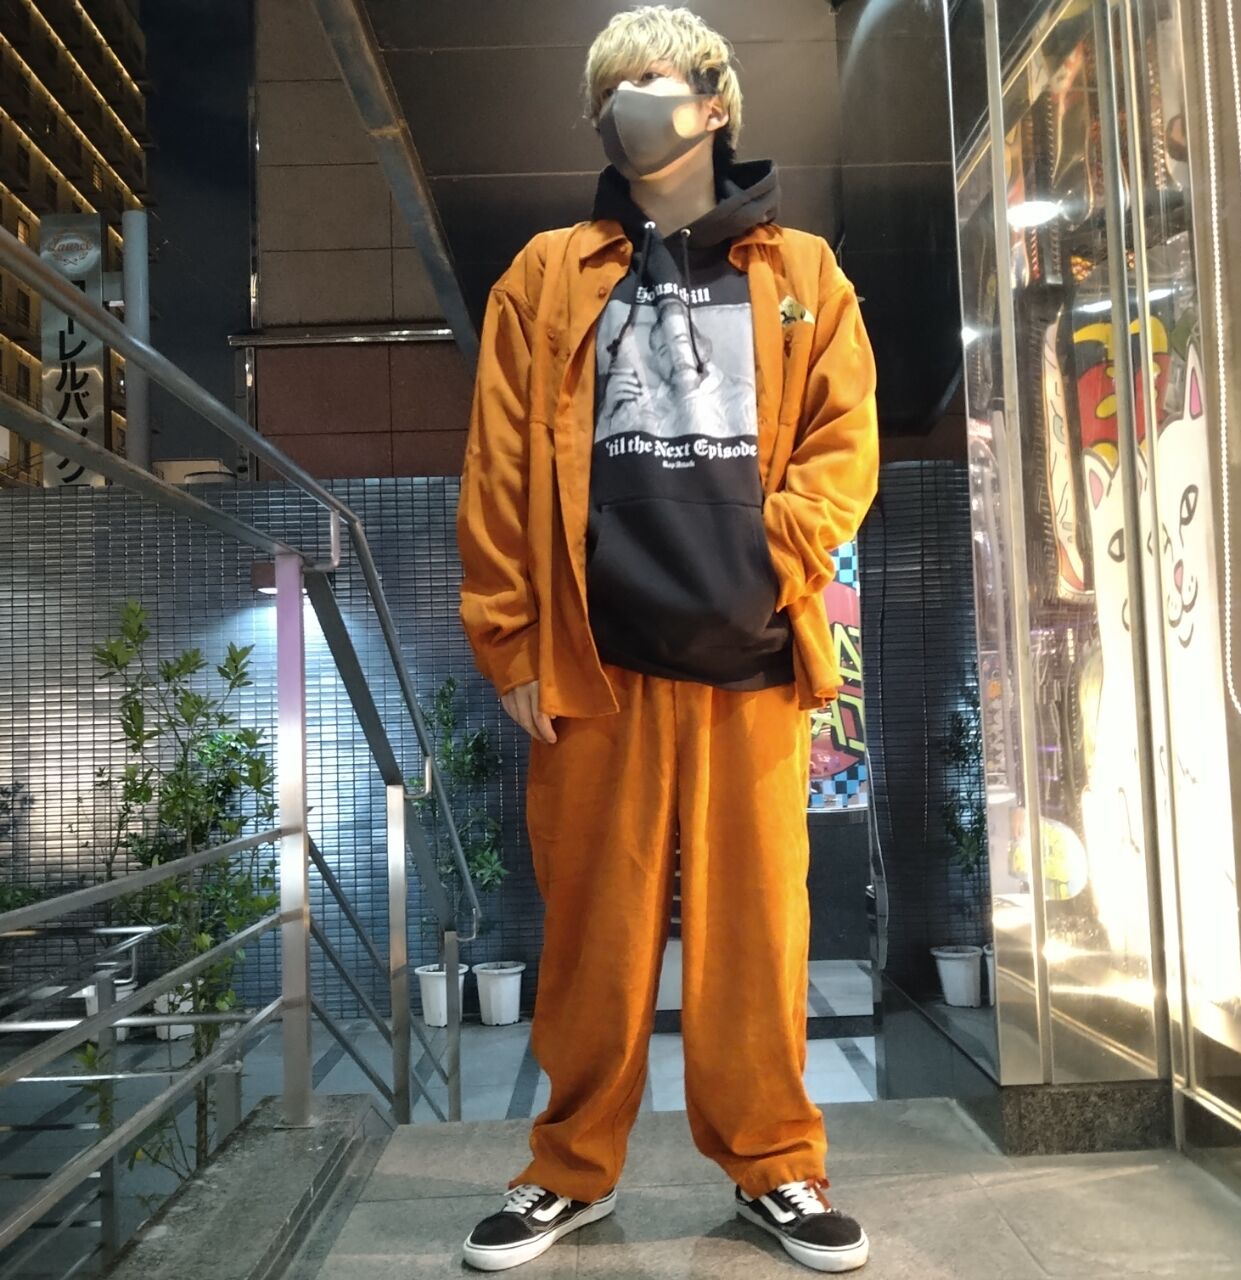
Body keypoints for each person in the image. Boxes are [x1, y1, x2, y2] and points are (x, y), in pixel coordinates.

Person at [456, 5, 879, 1272]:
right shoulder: (545, 274)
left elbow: (843, 443)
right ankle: (567, 1165)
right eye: (609, 88)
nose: (627, 103)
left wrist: (770, 552)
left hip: (751, 658)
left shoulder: (803, 273)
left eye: (650, 79)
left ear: (714, 101)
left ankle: (774, 1163)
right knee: (592, 933)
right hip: (597, 663)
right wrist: (510, 641)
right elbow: (494, 467)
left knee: (757, 935)